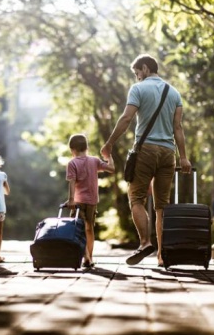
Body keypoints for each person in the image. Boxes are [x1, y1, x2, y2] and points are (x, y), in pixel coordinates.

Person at [100, 54, 192, 267]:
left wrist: (110, 143)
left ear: (145, 68)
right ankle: (161, 256)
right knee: (162, 206)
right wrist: (184, 157)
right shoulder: (175, 93)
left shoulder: (138, 89)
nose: (137, 77)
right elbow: (178, 128)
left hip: (145, 150)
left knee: (137, 199)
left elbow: (126, 118)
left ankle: (144, 243)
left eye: (137, 73)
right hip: (168, 153)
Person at [65, 134, 115, 268]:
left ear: (72, 149)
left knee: (78, 229)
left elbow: (72, 182)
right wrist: (108, 156)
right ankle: (90, 257)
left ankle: (86, 257)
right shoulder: (94, 161)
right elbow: (111, 169)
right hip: (92, 201)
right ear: (87, 147)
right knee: (89, 229)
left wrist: (71, 200)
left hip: (78, 202)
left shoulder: (72, 163)